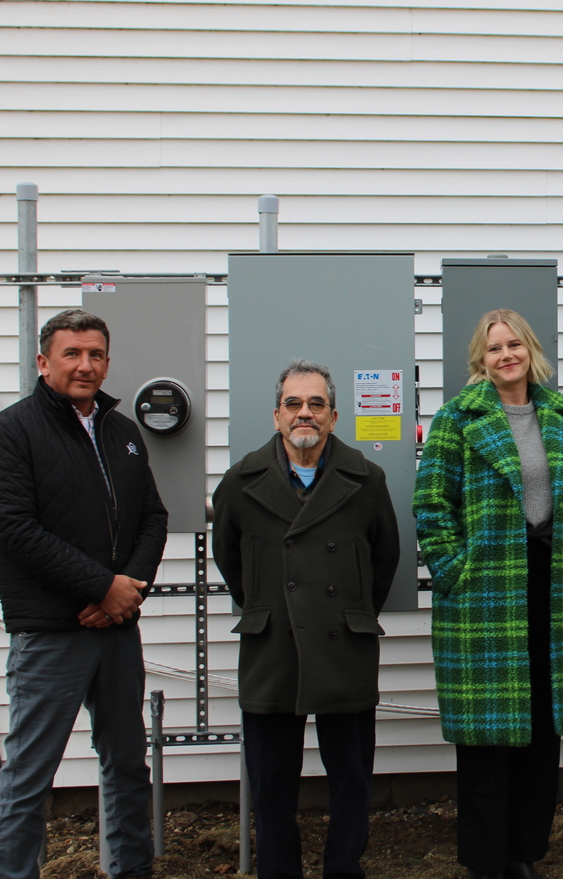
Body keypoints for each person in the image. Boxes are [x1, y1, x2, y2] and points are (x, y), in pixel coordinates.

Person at [0, 309, 167, 879]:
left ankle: (129, 869)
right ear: (43, 361)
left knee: (127, 764)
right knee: (31, 774)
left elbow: (152, 517)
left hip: (116, 630)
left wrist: (126, 593)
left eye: (96, 355)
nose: (86, 365)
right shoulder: (9, 433)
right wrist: (100, 586)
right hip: (52, 633)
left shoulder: (123, 432)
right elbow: (13, 529)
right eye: (72, 354)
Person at [413, 309, 563, 879]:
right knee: (487, 738)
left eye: (514, 344)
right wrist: (454, 571)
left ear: (531, 351)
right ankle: (486, 860)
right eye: (494, 348)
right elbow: (431, 505)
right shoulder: (456, 420)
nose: (506, 355)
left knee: (540, 730)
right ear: (481, 360)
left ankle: (524, 853)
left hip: (549, 587)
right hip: (483, 595)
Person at [212, 360, 401, 879]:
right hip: (273, 646)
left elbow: (384, 558)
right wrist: (266, 605)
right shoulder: (241, 481)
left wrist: (351, 614)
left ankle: (344, 871)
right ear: (277, 415)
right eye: (294, 404)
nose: (305, 414)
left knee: (351, 782)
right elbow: (230, 557)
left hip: (344, 647)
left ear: (334, 417)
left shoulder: (366, 479)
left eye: (316, 404)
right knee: (271, 785)